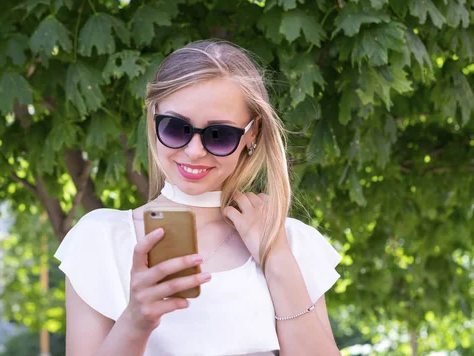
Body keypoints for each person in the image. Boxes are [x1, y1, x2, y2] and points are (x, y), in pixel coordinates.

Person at [55, 40, 343, 355]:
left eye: (219, 135)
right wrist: (135, 321)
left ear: (252, 133)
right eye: (176, 128)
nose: (194, 152)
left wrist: (277, 259)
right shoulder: (101, 240)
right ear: (152, 119)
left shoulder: (293, 242)